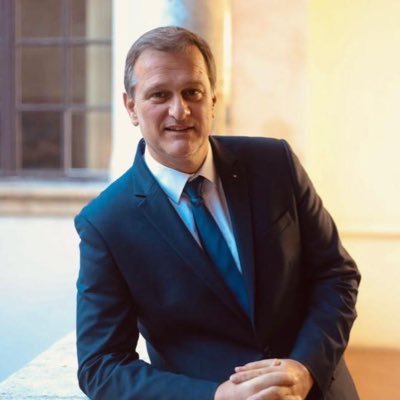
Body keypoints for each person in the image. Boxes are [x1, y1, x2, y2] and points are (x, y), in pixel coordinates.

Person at [75, 26, 361, 400]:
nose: (179, 110)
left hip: (318, 389)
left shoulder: (275, 163)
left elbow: (336, 275)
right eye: (159, 94)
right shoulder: (106, 222)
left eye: (192, 92)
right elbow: (101, 366)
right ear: (131, 107)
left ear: (212, 99)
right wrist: (215, 396)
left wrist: (306, 367)